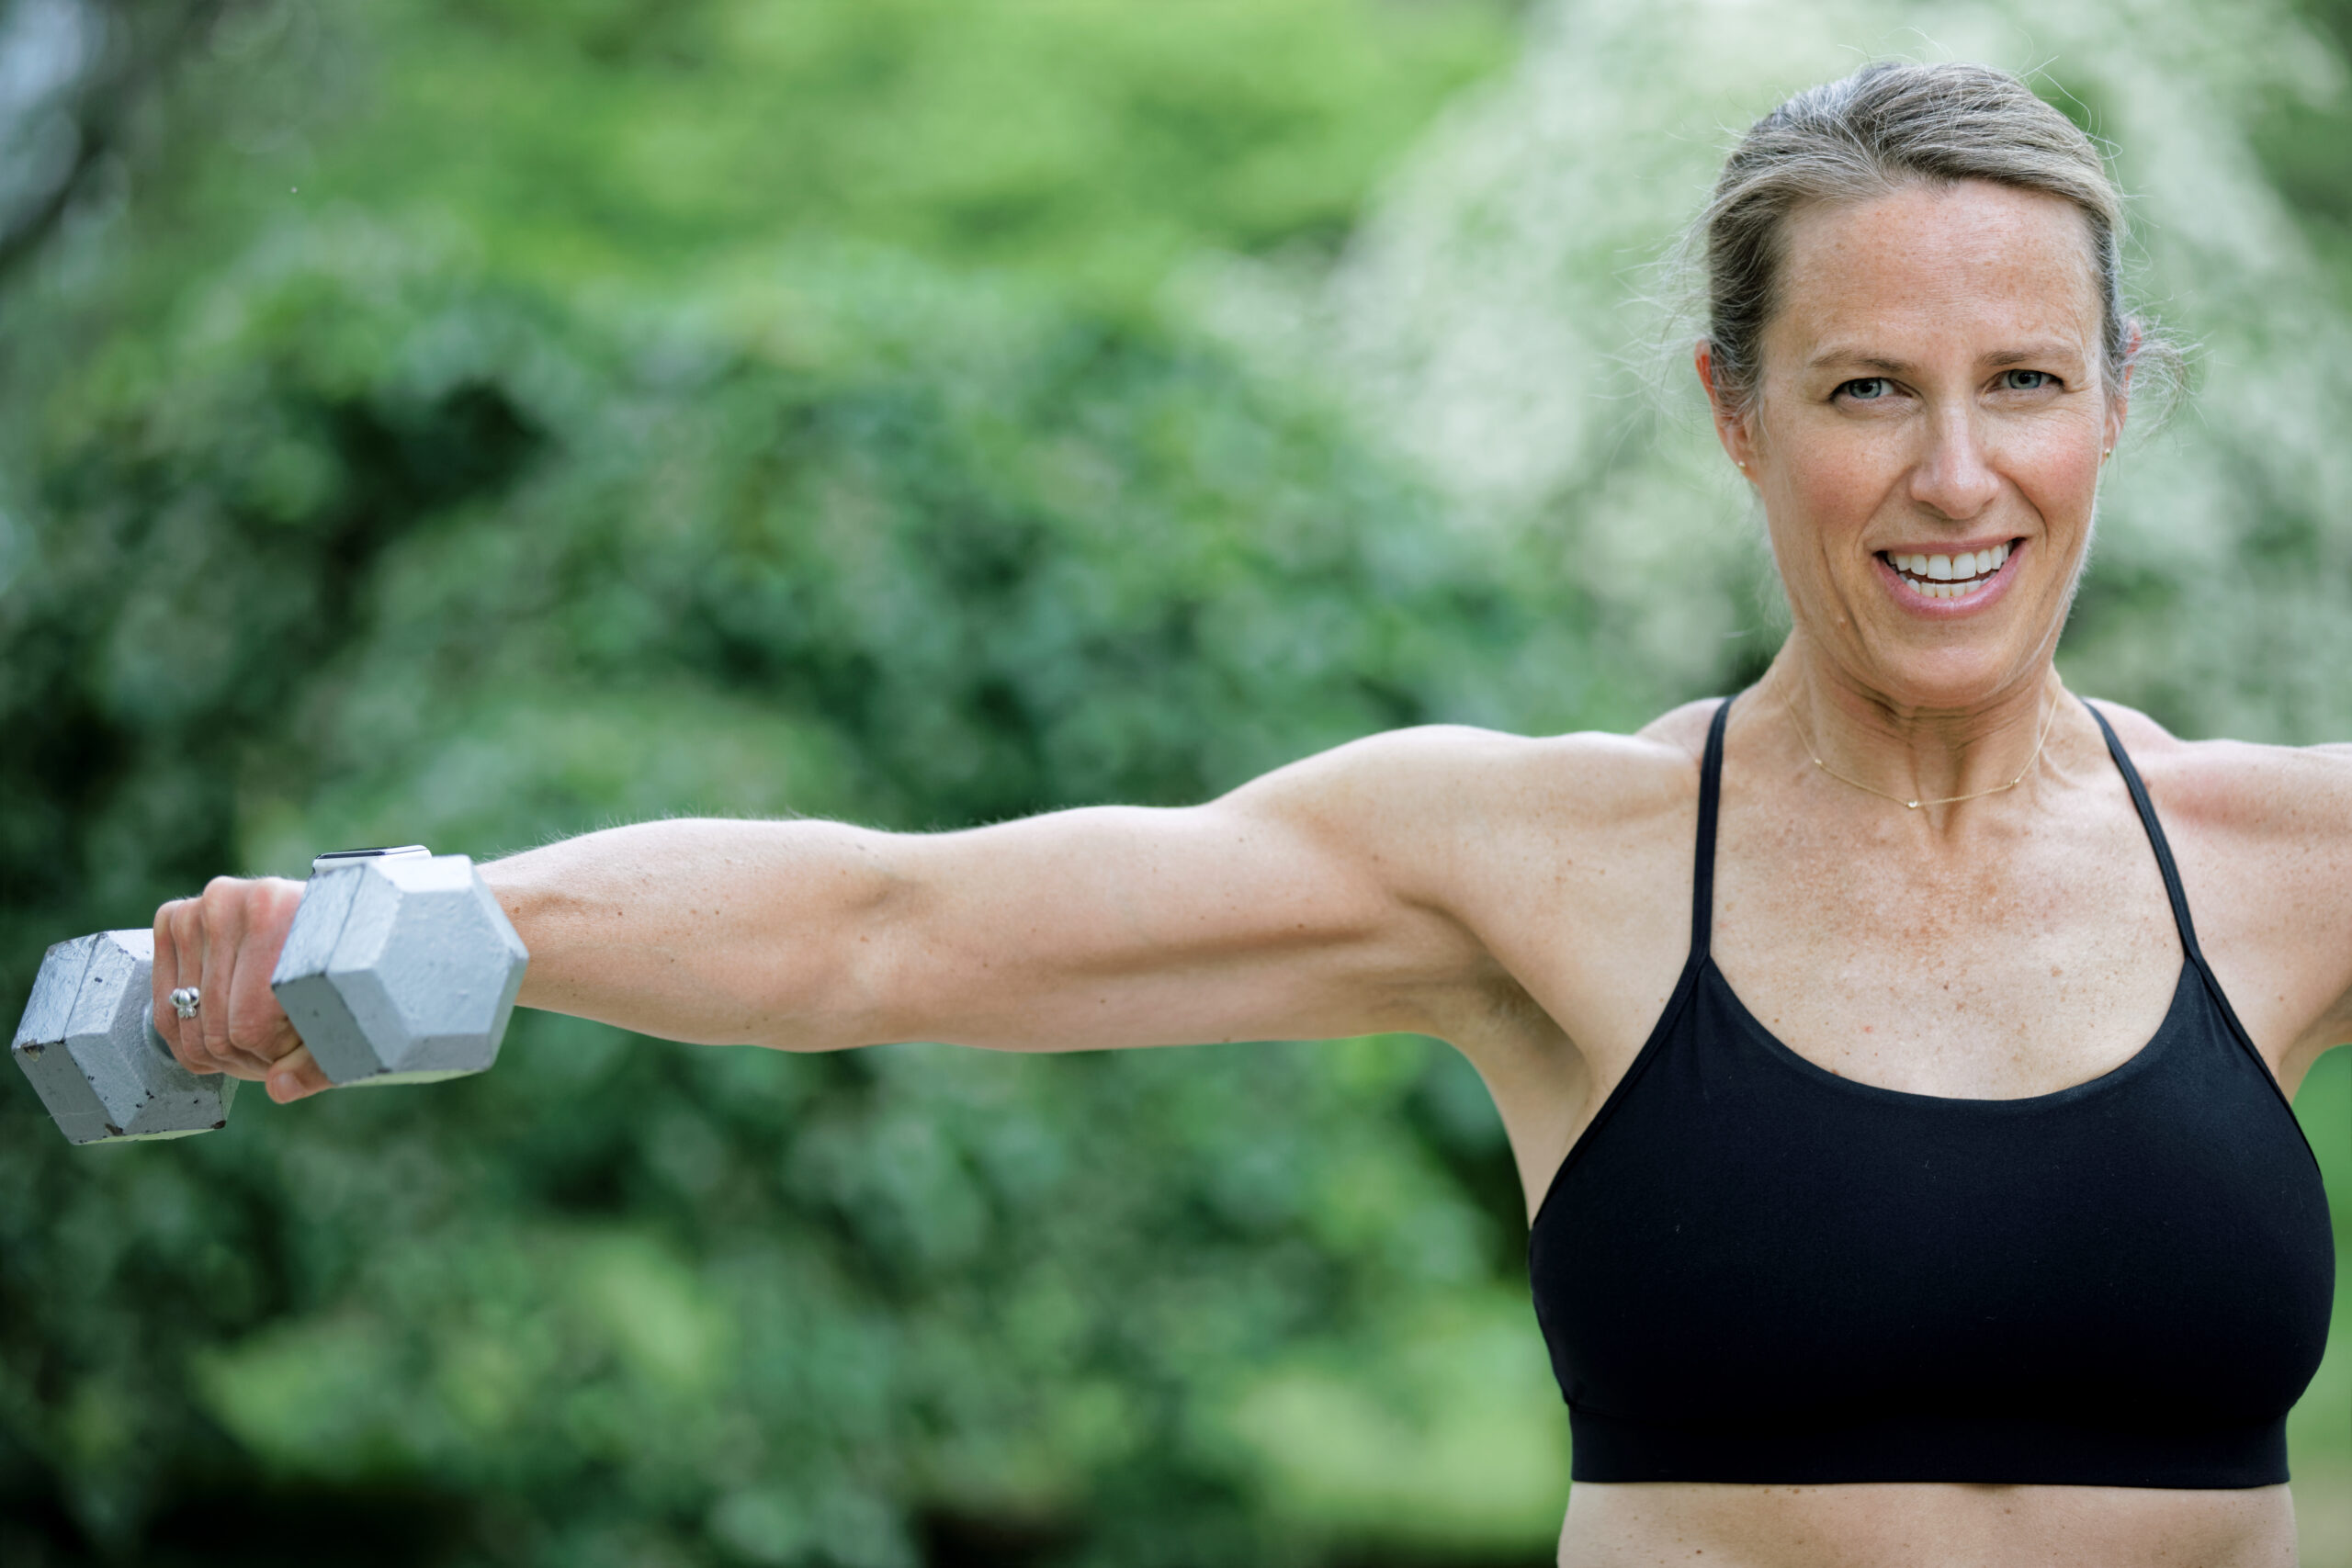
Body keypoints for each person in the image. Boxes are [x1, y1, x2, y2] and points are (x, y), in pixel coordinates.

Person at [145, 62, 2343, 1568]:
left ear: (2114, 400)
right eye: (1865, 386)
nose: (1953, 476)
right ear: (1732, 412)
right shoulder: (1535, 860)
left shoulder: (2290, 859)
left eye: (2021, 383)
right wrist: (434, 916)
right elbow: (892, 928)